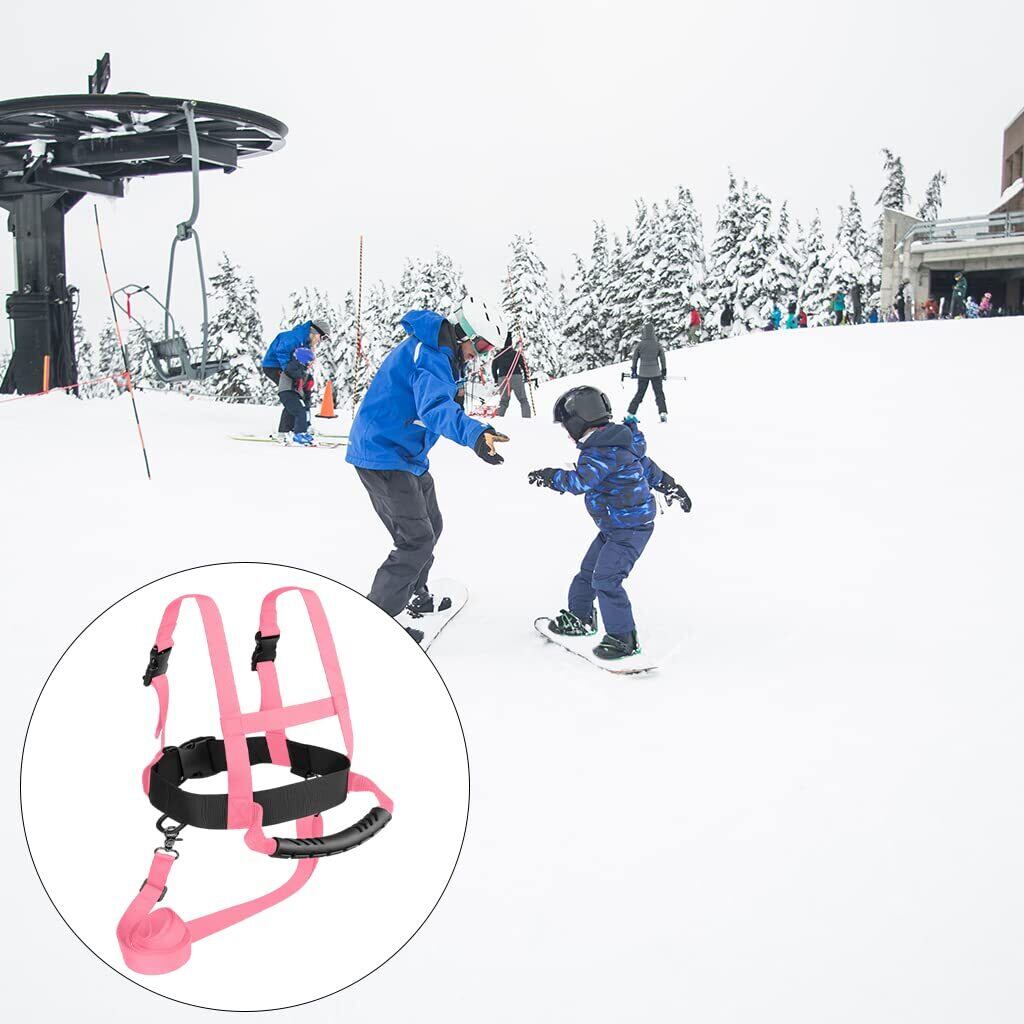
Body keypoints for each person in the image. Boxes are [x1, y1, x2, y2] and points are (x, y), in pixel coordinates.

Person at [345, 297, 510, 641]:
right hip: (383, 454)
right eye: (481, 345)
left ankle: (415, 595)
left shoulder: (443, 355)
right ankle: (376, 623)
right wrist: (475, 434)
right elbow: (434, 408)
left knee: (431, 527)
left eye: (487, 350)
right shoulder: (431, 355)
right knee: (415, 540)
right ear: (465, 333)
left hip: (407, 455)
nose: (480, 354)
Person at [527, 387, 690, 661]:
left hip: (630, 530)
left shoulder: (601, 451)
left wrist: (550, 476)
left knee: (606, 579)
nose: (567, 433)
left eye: (567, 426)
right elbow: (648, 468)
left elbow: (580, 482)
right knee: (588, 572)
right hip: (614, 527)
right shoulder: (619, 443)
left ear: (579, 422)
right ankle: (581, 618)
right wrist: (671, 486)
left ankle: (623, 639)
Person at [262, 319, 330, 437]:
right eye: (322, 337)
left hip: (288, 368)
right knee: (291, 395)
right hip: (273, 366)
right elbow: (281, 352)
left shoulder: (305, 341)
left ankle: (294, 427)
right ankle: (289, 430)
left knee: (296, 396)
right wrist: (289, 371)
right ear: (315, 332)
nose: (321, 341)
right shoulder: (295, 337)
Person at [627, 321, 668, 422]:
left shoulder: (640, 345)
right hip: (656, 373)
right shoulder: (657, 345)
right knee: (659, 394)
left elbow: (635, 358)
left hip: (643, 374)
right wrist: (664, 371)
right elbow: (663, 359)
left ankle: (631, 414)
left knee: (639, 394)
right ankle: (662, 413)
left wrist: (634, 370)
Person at [275, 346, 317, 445]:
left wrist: (307, 400)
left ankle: (284, 432)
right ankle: (299, 433)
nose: (311, 364)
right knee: (299, 410)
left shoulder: (303, 370)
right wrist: (304, 375)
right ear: (304, 359)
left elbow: (305, 389)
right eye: (310, 361)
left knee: (292, 411)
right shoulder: (293, 365)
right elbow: (293, 373)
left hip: (293, 393)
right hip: (287, 391)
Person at [492, 333, 532, 418]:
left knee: (503, 401)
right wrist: (526, 376)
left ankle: (499, 418)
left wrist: (496, 379)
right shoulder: (516, 354)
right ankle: (527, 419)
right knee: (523, 399)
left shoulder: (498, 355)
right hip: (516, 377)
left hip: (503, 378)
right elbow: (524, 365)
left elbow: (493, 368)